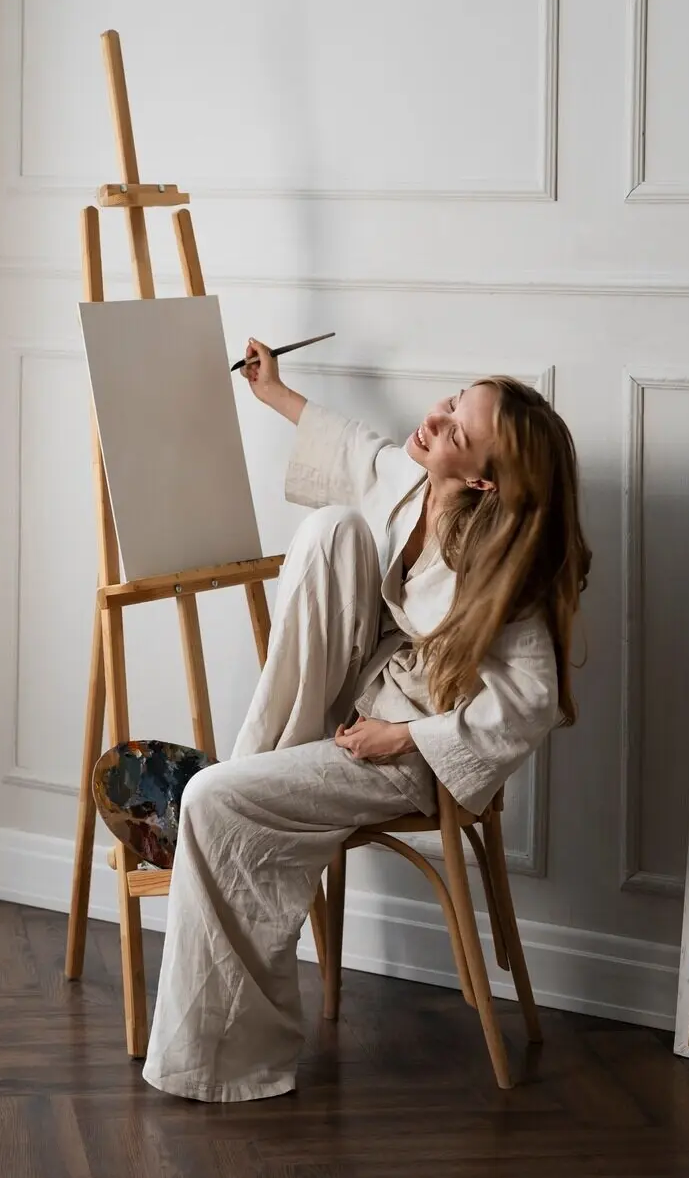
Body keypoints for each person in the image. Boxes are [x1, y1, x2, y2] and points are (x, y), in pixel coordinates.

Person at [141, 341, 591, 1105]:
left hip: (409, 750)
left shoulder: (496, 563)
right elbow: (354, 446)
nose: (436, 418)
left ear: (483, 479)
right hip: (356, 702)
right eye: (452, 400)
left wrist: (405, 737)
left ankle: (228, 1058)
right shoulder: (412, 484)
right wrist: (272, 391)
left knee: (212, 801)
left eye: (456, 430)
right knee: (333, 530)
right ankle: (252, 772)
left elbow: (531, 702)